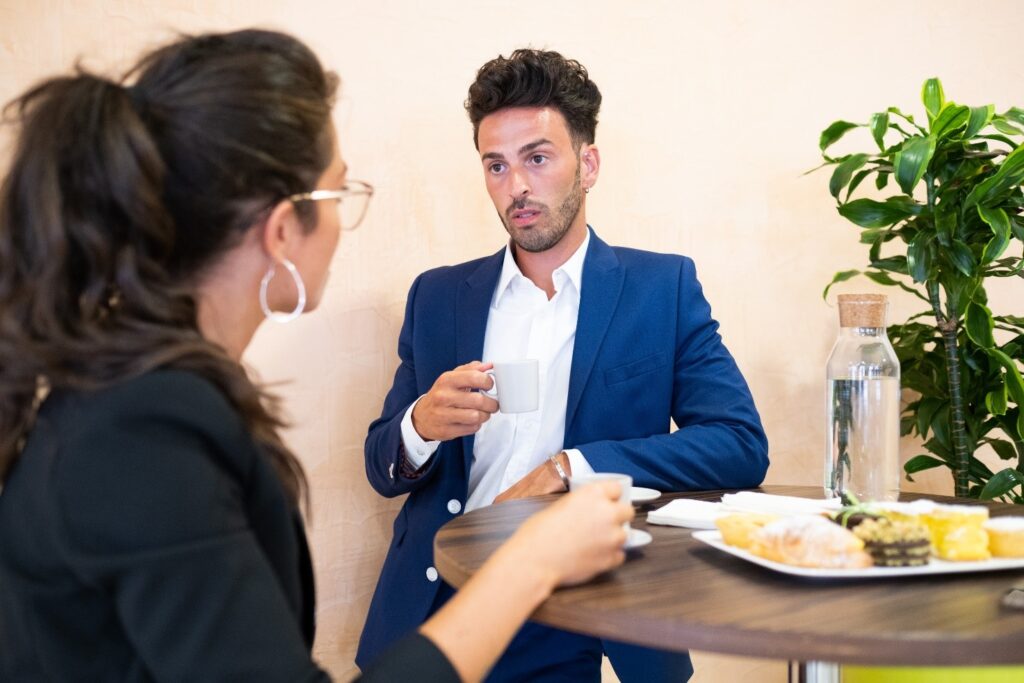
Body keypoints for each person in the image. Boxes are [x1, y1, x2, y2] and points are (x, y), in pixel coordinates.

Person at [0, 30, 635, 682]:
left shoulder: (147, 393)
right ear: (282, 229)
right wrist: (531, 560)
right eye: (339, 192)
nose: (514, 184)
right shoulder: (147, 426)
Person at [359, 49, 770, 682]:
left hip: (574, 611)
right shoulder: (438, 296)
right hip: (435, 605)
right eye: (496, 165)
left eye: (537, 158)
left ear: (589, 163)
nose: (515, 186)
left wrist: (571, 467)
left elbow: (739, 444)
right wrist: (419, 424)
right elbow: (381, 467)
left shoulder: (661, 288)